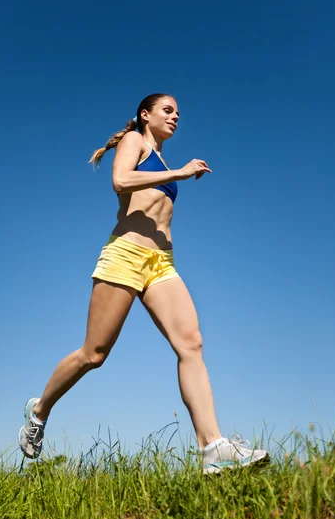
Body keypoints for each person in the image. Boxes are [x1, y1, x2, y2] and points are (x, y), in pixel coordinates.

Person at [18, 93, 269, 473]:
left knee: (191, 343)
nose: (175, 117)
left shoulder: (163, 159)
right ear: (144, 114)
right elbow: (120, 181)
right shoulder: (135, 142)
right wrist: (178, 173)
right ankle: (39, 411)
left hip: (162, 265)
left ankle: (212, 447)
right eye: (167, 110)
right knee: (94, 354)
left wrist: (173, 171)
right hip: (125, 256)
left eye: (178, 114)